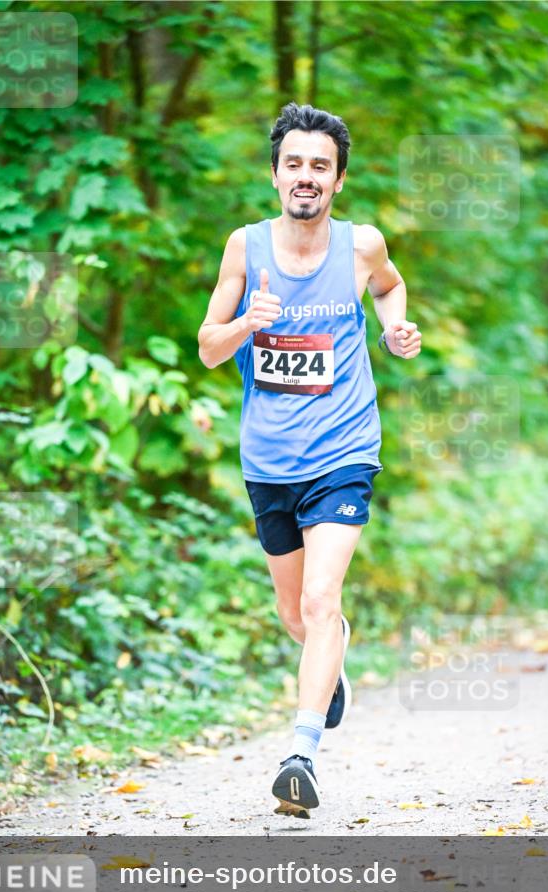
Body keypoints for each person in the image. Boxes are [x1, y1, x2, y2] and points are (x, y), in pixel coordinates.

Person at [198, 102, 421, 818]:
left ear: (338, 180)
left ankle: (299, 756)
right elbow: (207, 346)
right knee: (295, 614)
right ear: (274, 175)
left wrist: (392, 329)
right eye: (292, 163)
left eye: (319, 166)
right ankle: (331, 670)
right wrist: (243, 325)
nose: (305, 175)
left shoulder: (362, 248)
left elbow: (389, 288)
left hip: (344, 449)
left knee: (324, 601)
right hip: (268, 459)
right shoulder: (244, 249)